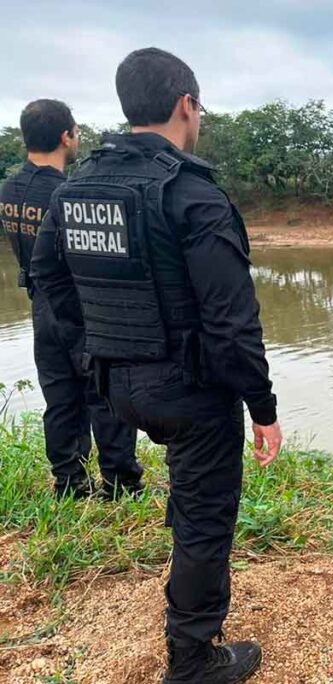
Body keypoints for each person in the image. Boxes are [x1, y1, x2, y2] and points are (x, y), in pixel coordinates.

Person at [31, 48, 283, 683]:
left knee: (189, 490)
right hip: (190, 393)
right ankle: (194, 659)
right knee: (206, 516)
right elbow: (233, 322)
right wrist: (264, 409)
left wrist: (95, 352)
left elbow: (47, 281)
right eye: (198, 108)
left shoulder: (76, 188)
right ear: (185, 105)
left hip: (115, 386)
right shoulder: (194, 194)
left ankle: (186, 559)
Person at [0, 99, 141, 499]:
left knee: (59, 397)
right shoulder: (66, 194)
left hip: (40, 308)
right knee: (104, 394)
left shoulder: (8, 188)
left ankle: (69, 484)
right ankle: (120, 483)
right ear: (66, 136)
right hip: (79, 308)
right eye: (76, 132)